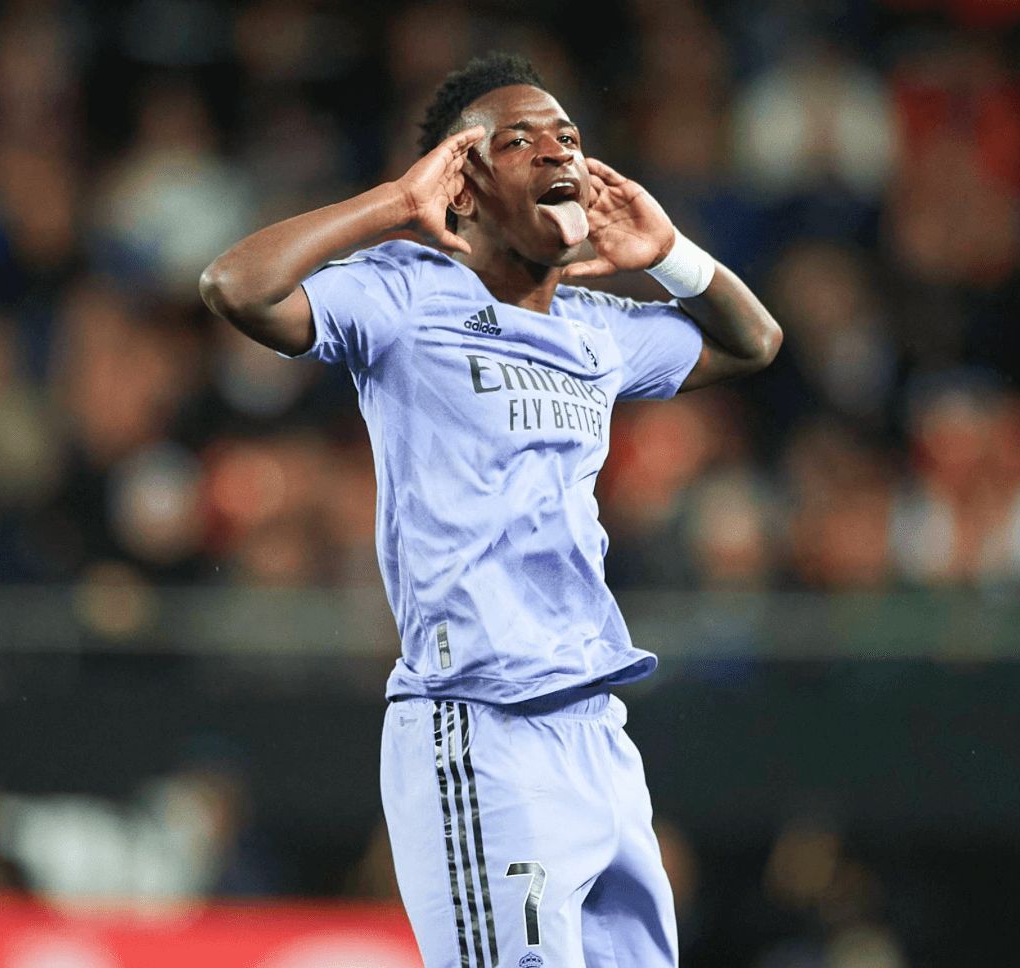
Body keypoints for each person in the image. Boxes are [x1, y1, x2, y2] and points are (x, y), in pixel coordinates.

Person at [200, 52, 781, 968]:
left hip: (596, 731)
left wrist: (669, 255)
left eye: (569, 137)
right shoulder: (400, 293)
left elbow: (755, 342)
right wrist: (396, 200)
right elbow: (237, 287)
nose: (559, 153)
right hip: (477, 728)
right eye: (519, 140)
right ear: (463, 185)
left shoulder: (596, 328)